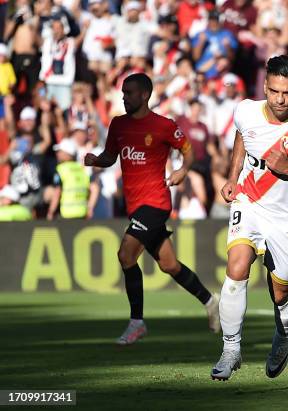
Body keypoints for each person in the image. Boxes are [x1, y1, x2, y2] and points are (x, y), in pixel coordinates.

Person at [211, 55, 288, 380]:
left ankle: (283, 336)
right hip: (249, 202)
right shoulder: (246, 110)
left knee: (280, 291)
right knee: (236, 267)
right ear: (265, 85)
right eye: (275, 91)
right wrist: (233, 176)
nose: (281, 100)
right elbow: (243, 135)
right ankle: (230, 349)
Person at [84, 73, 220, 345]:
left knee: (125, 255)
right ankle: (210, 301)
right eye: (123, 92)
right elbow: (111, 157)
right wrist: (96, 159)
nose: (124, 97)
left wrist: (183, 168)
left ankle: (137, 322)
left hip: (156, 203)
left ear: (145, 95)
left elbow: (188, 150)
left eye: (130, 93)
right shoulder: (118, 125)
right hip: (136, 206)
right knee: (169, 265)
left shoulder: (163, 125)